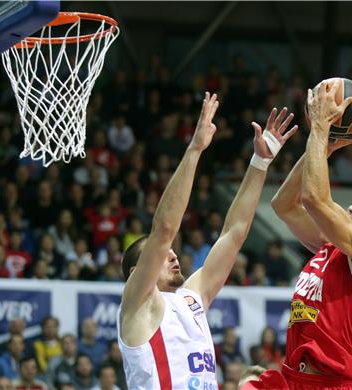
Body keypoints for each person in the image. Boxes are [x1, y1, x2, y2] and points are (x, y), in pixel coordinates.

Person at [117, 92, 297, 389]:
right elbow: (163, 228)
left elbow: (234, 233)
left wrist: (260, 162)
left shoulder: (191, 299)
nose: (174, 256)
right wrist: (195, 150)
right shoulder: (137, 304)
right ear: (136, 274)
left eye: (173, 253)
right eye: (164, 256)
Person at [246, 80, 352, 389]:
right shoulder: (333, 246)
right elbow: (284, 205)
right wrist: (323, 147)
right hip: (291, 377)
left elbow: (314, 199)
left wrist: (321, 128)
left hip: (332, 383)